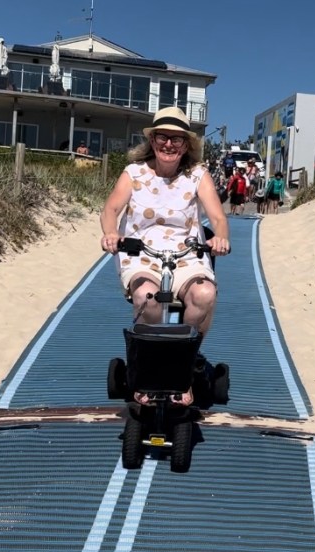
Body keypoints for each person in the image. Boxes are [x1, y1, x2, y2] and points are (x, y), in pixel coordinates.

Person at [100, 107, 230, 406]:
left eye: (176, 139)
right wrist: (111, 233)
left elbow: (217, 217)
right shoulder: (134, 173)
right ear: (152, 140)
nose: (169, 144)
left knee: (204, 294)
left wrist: (221, 237)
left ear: (186, 145)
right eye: (162, 137)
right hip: (142, 252)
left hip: (187, 253)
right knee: (146, 296)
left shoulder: (198, 175)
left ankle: (186, 361)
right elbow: (111, 209)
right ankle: (149, 365)